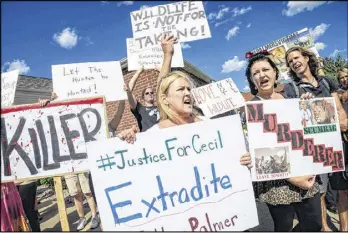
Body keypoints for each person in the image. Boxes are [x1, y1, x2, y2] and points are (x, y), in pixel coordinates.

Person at [244, 51, 322, 231]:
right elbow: (260, 154)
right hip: (278, 182)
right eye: (255, 73)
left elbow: (307, 134)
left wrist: (307, 109)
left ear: (274, 72)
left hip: (305, 173)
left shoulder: (291, 99)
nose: (261, 75)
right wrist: (294, 179)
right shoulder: (251, 110)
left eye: (265, 69)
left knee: (314, 224)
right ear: (252, 80)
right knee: (284, 226)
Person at [283, 46, 348, 231]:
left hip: (336, 144)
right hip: (313, 147)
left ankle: (344, 228)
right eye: (290, 61)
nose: (294, 62)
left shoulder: (327, 82)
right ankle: (325, 228)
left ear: (306, 57)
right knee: (319, 191)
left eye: (296, 57)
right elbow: (293, 121)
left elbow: (339, 110)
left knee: (342, 189)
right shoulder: (291, 89)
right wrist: (303, 105)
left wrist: (343, 124)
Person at [38, 94, 99, 231]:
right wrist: (47, 102)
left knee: (87, 192)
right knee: (75, 193)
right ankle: (82, 218)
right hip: (67, 163)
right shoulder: (55, 122)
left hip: (81, 159)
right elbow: (45, 120)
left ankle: (94, 215)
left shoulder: (76, 117)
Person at [327, 68, 348, 231]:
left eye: (347, 76)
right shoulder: (337, 96)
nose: (344, 79)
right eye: (341, 77)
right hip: (341, 149)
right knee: (342, 193)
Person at [126, 66, 159, 132]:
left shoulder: (161, 108)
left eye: (151, 92)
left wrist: (161, 71)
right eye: (147, 93)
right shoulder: (140, 109)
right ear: (143, 97)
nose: (150, 94)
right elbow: (128, 90)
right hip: (149, 140)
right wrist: (138, 72)